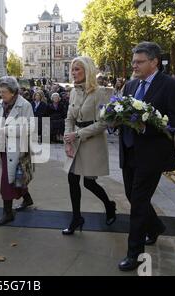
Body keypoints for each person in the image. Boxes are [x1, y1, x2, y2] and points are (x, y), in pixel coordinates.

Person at [117, 42, 175, 271]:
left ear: (154, 62)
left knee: (137, 204)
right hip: (128, 151)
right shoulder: (129, 85)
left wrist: (147, 127)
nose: (134, 65)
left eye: (139, 62)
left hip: (152, 155)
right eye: (133, 61)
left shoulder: (171, 85)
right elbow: (121, 114)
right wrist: (113, 120)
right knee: (132, 195)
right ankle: (155, 227)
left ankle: (134, 254)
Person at [62, 56, 117, 235]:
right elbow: (69, 118)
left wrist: (77, 134)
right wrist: (67, 140)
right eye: (73, 69)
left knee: (89, 183)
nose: (74, 72)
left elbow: (103, 123)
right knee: (72, 179)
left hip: (92, 142)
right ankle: (76, 218)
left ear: (88, 71)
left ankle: (109, 206)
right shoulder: (73, 91)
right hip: (75, 140)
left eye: (78, 69)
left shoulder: (100, 92)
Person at [0, 76, 35, 225]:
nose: (1, 95)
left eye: (4, 92)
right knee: (15, 176)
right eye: (0, 91)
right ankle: (27, 199)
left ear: (13, 91)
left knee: (6, 180)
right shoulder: (1, 104)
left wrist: (9, 130)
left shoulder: (25, 105)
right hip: (3, 146)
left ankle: (8, 213)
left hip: (18, 149)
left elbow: (30, 127)